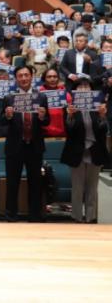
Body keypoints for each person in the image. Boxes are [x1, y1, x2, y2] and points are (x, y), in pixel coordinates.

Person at [1, 65, 50, 222]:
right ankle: (11, 215)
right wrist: (8, 116)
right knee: (12, 182)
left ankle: (34, 215)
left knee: (35, 182)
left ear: (31, 77)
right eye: (20, 75)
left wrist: (42, 117)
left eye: (26, 75)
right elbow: (2, 122)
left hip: (34, 146)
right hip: (15, 145)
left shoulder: (41, 97)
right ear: (16, 79)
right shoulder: (9, 98)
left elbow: (47, 121)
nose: (23, 78)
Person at [62, 76, 108, 223]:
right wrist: (70, 116)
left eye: (86, 86)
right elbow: (69, 131)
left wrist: (102, 117)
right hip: (76, 151)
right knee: (77, 188)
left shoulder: (99, 106)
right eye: (80, 86)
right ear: (75, 90)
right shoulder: (70, 107)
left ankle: (91, 218)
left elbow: (103, 130)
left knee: (92, 188)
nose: (83, 89)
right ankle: (76, 217)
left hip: (95, 150)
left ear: (91, 90)